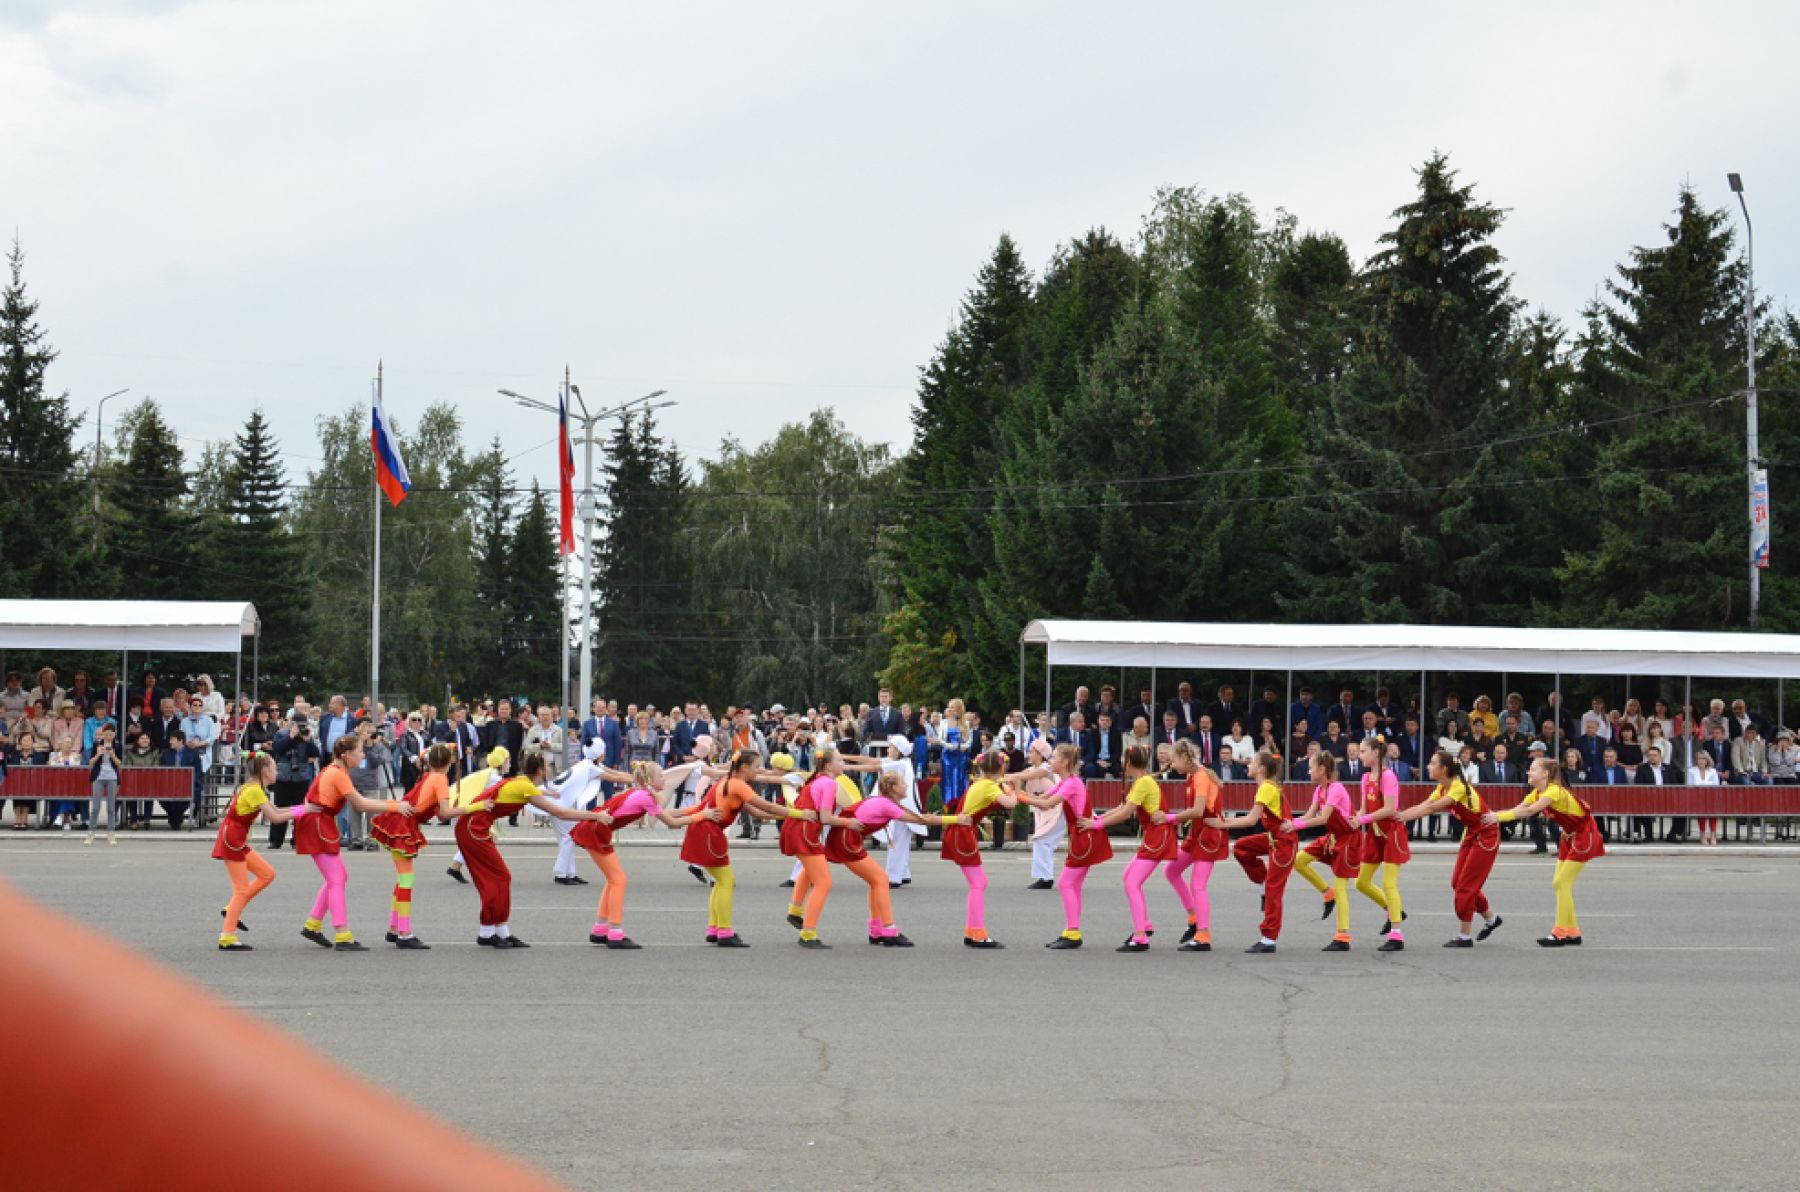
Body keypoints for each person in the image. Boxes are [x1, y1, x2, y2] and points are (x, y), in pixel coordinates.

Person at [454, 749, 609, 949]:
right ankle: (487, 931)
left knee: (500, 877)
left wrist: (547, 792)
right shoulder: (525, 788)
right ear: (540, 771)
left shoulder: (522, 783)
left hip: (474, 826)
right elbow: (560, 812)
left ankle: (500, 931)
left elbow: (519, 791)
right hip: (472, 829)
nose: (549, 769)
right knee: (497, 877)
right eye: (547, 766)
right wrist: (596, 816)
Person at [811, 766, 960, 948]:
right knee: (881, 879)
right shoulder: (887, 805)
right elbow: (922, 820)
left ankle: (877, 930)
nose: (906, 786)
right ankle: (889, 930)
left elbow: (921, 817)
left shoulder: (885, 802)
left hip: (846, 838)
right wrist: (956, 820)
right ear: (894, 788)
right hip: (846, 840)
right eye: (903, 783)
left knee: (876, 881)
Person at [677, 748, 812, 947]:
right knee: (726, 881)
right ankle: (724, 931)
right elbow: (768, 806)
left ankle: (714, 928)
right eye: (756, 767)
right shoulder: (739, 785)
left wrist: (785, 816)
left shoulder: (727, 781)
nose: (759, 771)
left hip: (702, 831)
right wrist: (800, 814)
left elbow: (759, 813)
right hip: (709, 834)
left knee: (721, 881)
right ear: (745, 767)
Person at [293, 735, 413, 952]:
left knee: (337, 878)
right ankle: (342, 934)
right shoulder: (338, 774)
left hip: (319, 823)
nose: (363, 754)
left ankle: (313, 924)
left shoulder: (336, 770)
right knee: (337, 878)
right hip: (318, 825)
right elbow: (361, 804)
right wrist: (395, 806)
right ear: (346, 754)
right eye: (359, 750)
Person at [570, 760, 702, 949]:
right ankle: (614, 933)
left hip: (594, 830)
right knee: (618, 880)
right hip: (595, 831)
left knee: (613, 880)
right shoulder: (646, 797)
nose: (664, 779)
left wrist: (696, 809)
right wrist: (701, 816)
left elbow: (667, 814)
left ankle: (600, 929)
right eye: (661, 776)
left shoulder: (641, 793)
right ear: (650, 780)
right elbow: (672, 823)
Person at [368, 743, 483, 950]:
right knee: (406, 879)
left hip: (398, 823)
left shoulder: (429, 776)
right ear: (450, 762)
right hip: (402, 826)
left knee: (403, 878)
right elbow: (445, 814)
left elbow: (439, 812)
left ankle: (395, 929)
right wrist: (476, 807)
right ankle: (403, 933)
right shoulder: (440, 779)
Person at [1485, 756, 1606, 947]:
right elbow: (1520, 808)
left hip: (1584, 835)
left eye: (1533, 769)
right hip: (1569, 836)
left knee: (1561, 883)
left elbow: (1528, 811)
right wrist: (1494, 815)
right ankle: (1573, 932)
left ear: (1545, 774)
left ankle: (1559, 933)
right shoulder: (1537, 792)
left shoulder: (1553, 791)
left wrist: (1496, 817)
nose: (1528, 772)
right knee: (1560, 885)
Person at [1007, 742, 1113, 949]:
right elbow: (1043, 797)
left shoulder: (1071, 783)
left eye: (1054, 757)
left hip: (1085, 838)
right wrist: (1018, 793)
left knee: (1066, 884)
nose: (1051, 761)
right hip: (1083, 836)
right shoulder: (1068, 781)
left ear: (1064, 763)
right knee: (1074, 886)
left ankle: (1072, 933)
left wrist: (1018, 796)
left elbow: (1047, 804)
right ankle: (1071, 930)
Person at [1395, 750, 1503, 947]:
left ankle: (1465, 936)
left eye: (1432, 763)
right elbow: (1424, 804)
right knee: (1457, 883)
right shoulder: (1442, 787)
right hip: (1472, 833)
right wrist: (1399, 816)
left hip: (1487, 834)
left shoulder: (1457, 787)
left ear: (1443, 769)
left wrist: (1401, 818)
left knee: (1465, 887)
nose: (1428, 766)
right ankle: (1491, 918)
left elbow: (1430, 809)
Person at [212, 753, 309, 951]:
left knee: (267, 874)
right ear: (265, 771)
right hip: (233, 839)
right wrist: (306, 810)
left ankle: (231, 910)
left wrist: (304, 808)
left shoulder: (255, 788)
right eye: (274, 768)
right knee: (241, 889)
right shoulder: (255, 790)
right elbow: (275, 817)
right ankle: (227, 936)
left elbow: (278, 810)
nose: (277, 772)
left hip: (235, 837)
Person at [1087, 746, 1175, 952]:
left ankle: (1141, 936)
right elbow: (1122, 808)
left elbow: (1125, 813)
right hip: (1154, 835)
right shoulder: (1142, 780)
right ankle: (1144, 925)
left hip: (1157, 836)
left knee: (1132, 883)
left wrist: (1097, 825)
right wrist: (1098, 818)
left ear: (1130, 763)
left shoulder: (1143, 782)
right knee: (1129, 878)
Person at [1219, 751, 1298, 954]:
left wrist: (1223, 824)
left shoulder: (1266, 788)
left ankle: (1269, 938)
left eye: (1252, 762)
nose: (1248, 764)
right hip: (1274, 839)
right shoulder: (1266, 787)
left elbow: (1251, 820)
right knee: (1241, 847)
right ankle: (1262, 881)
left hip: (1283, 843)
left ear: (1261, 768)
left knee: (1275, 890)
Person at [935, 750, 1016, 948]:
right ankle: (977, 933)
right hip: (964, 834)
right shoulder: (989, 786)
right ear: (1002, 768)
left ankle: (972, 931)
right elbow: (1010, 804)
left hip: (962, 832)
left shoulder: (981, 783)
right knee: (979, 883)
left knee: (978, 884)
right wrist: (1013, 790)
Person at [1289, 752, 1359, 951]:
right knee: (1298, 861)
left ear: (1322, 770)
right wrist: (1289, 822)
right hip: (1333, 836)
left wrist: (1294, 827)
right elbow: (1309, 815)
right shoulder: (1319, 789)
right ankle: (1327, 894)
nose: (1308, 771)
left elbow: (1323, 818)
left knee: (1342, 886)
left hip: (1347, 839)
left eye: (1311, 768)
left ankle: (1343, 936)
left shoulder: (1335, 789)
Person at [1351, 736, 1408, 949]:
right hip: (1375, 833)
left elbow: (1390, 809)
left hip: (1392, 833)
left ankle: (1396, 935)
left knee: (1389, 883)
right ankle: (1394, 910)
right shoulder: (1366, 778)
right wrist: (1352, 819)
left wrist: (1362, 820)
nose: (1360, 754)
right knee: (1361, 882)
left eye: (1363, 751)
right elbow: (1364, 810)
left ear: (1376, 752)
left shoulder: (1388, 777)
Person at [268, 713, 320, 850]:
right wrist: (291, 736)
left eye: (303, 724)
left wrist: (307, 740)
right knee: (280, 808)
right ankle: (276, 840)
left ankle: (298, 839)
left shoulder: (307, 735)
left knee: (300, 811)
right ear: (291, 723)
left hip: (301, 777)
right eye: (298, 724)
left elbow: (315, 753)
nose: (300, 727)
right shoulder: (281, 733)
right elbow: (277, 749)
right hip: (284, 776)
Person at [1022, 736, 1062, 891]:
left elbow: (1022, 776)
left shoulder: (1046, 768)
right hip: (1044, 810)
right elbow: (1019, 778)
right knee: (1044, 842)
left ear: (1040, 754)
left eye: (1032, 752)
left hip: (1057, 810)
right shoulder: (1031, 769)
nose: (1029, 754)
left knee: (1041, 840)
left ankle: (1046, 878)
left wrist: (1009, 778)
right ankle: (1046, 876)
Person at [85, 723, 123, 846]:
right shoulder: (97, 744)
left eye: (111, 734)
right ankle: (91, 833)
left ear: (114, 734)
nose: (108, 736)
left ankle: (111, 833)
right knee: (95, 807)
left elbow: (119, 763)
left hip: (112, 777)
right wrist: (98, 754)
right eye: (106, 734)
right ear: (103, 734)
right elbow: (90, 763)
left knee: (111, 807)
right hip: (98, 777)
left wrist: (112, 755)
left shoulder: (118, 745)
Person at [1687, 748, 1722, 845]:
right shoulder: (1691, 771)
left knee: (1712, 809)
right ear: (1696, 760)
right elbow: (1690, 786)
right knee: (1702, 808)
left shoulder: (1713, 771)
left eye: (1703, 759)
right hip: (1696, 798)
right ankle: (1703, 834)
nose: (1701, 761)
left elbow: (1716, 786)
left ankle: (1713, 834)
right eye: (1699, 759)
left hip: (1711, 798)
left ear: (1707, 760)